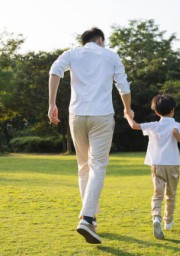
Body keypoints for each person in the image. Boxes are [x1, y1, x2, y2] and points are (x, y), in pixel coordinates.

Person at [48, 27, 133, 244]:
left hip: (76, 115)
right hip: (102, 116)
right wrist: (127, 109)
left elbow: (55, 71)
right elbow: (123, 86)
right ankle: (86, 218)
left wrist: (52, 105)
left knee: (83, 167)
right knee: (97, 167)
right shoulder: (111, 56)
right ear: (101, 40)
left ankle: (91, 218)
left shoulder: (72, 53)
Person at [124, 94, 180, 239]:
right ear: (173, 110)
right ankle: (168, 221)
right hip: (172, 164)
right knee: (170, 195)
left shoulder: (153, 125)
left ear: (156, 112)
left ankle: (156, 218)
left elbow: (134, 126)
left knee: (157, 194)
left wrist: (127, 115)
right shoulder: (176, 124)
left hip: (157, 165)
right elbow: (174, 132)